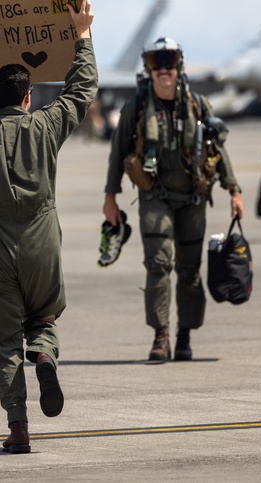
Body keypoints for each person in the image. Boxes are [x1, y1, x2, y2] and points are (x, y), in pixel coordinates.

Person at [0, 0, 98, 454]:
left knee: (1, 338)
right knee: (44, 315)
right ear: (29, 96)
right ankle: (47, 354)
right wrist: (82, 34)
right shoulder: (47, 124)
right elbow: (82, 88)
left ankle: (18, 427)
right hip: (41, 245)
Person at [103, 37, 244, 363]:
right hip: (155, 198)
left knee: (190, 269)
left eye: (169, 62)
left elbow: (218, 150)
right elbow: (117, 154)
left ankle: (185, 335)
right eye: (157, 62)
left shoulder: (197, 106)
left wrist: (234, 190)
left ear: (178, 66)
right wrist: (110, 198)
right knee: (159, 264)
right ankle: (161, 335)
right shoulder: (135, 108)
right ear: (149, 68)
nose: (163, 69)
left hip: (193, 199)